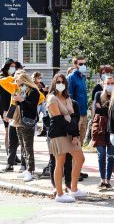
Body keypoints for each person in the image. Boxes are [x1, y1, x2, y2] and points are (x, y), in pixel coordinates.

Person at [47, 74, 86, 202]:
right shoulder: (52, 99)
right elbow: (58, 119)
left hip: (70, 133)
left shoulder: (67, 98)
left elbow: (74, 117)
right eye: (58, 82)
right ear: (54, 83)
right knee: (60, 162)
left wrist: (75, 134)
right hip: (58, 133)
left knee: (80, 158)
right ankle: (59, 193)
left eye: (62, 82)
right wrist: (72, 128)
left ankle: (73, 189)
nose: (60, 84)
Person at [12, 73, 40, 182]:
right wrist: (16, 99)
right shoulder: (23, 91)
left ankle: (30, 169)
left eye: (19, 83)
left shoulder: (34, 92)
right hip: (19, 121)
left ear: (25, 81)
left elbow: (32, 108)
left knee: (28, 147)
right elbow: (18, 106)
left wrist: (22, 100)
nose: (18, 85)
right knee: (23, 146)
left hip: (28, 121)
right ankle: (27, 168)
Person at [92, 74, 114, 189]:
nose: (110, 85)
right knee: (101, 155)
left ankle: (108, 179)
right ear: (103, 84)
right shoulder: (98, 94)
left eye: (112, 83)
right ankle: (102, 179)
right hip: (100, 128)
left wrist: (103, 108)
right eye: (108, 83)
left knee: (110, 155)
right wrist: (107, 109)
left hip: (112, 128)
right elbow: (97, 110)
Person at [67, 56, 89, 179]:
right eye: (80, 64)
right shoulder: (71, 78)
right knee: (74, 144)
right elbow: (69, 98)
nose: (83, 66)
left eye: (84, 63)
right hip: (76, 115)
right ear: (75, 64)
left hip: (84, 113)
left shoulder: (82, 78)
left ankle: (78, 169)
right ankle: (72, 172)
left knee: (80, 144)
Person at [0, 59, 18, 154]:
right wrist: (5, 111)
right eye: (11, 66)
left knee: (14, 131)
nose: (13, 68)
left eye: (14, 66)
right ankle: (9, 153)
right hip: (6, 107)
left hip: (14, 105)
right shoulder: (3, 78)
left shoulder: (14, 77)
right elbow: (2, 96)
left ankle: (13, 153)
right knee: (8, 131)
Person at [32, 71, 49, 137]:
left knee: (46, 116)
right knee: (36, 117)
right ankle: (34, 130)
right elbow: (34, 92)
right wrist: (42, 90)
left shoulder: (41, 83)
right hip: (37, 103)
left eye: (40, 77)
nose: (40, 79)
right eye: (38, 77)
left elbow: (44, 92)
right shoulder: (32, 84)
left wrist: (46, 90)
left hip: (43, 102)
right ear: (35, 77)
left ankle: (44, 130)